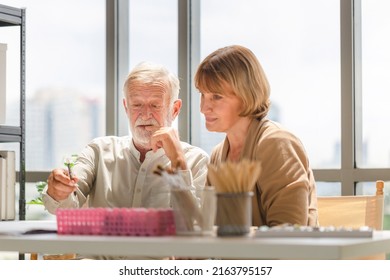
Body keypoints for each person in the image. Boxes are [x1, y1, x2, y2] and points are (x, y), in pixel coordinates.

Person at [42, 62, 209, 258]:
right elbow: (65, 206)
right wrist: (59, 191)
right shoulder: (98, 151)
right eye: (137, 104)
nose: (145, 114)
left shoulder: (196, 161)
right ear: (126, 107)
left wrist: (178, 162)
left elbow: (195, 233)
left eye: (155, 105)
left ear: (174, 109)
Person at [194, 45, 318, 227]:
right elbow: (211, 229)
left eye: (217, 97)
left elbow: (289, 233)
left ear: (246, 96)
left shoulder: (275, 143)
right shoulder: (218, 154)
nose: (204, 108)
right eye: (203, 95)